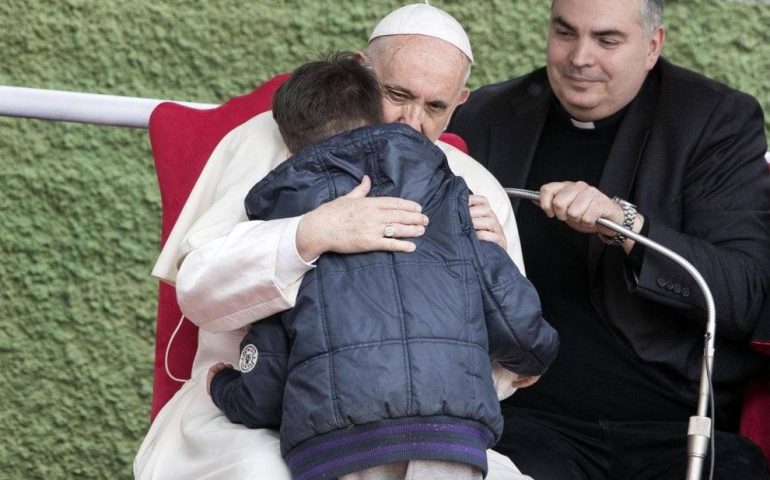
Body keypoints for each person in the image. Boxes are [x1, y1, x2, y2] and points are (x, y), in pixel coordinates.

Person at [135, 4, 537, 479]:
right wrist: (308, 235)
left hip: (423, 424)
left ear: (460, 101)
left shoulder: (476, 185)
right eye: (397, 94)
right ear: (362, 71)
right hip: (254, 413)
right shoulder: (272, 142)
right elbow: (200, 293)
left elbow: (505, 372)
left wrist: (493, 259)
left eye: (435, 107)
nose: (411, 122)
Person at [448, 0, 770, 478]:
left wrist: (628, 227)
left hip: (670, 421)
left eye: (607, 40)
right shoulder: (484, 116)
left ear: (652, 45)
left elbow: (745, 295)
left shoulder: (714, 121)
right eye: (565, 32)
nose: (580, 57)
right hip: (526, 419)